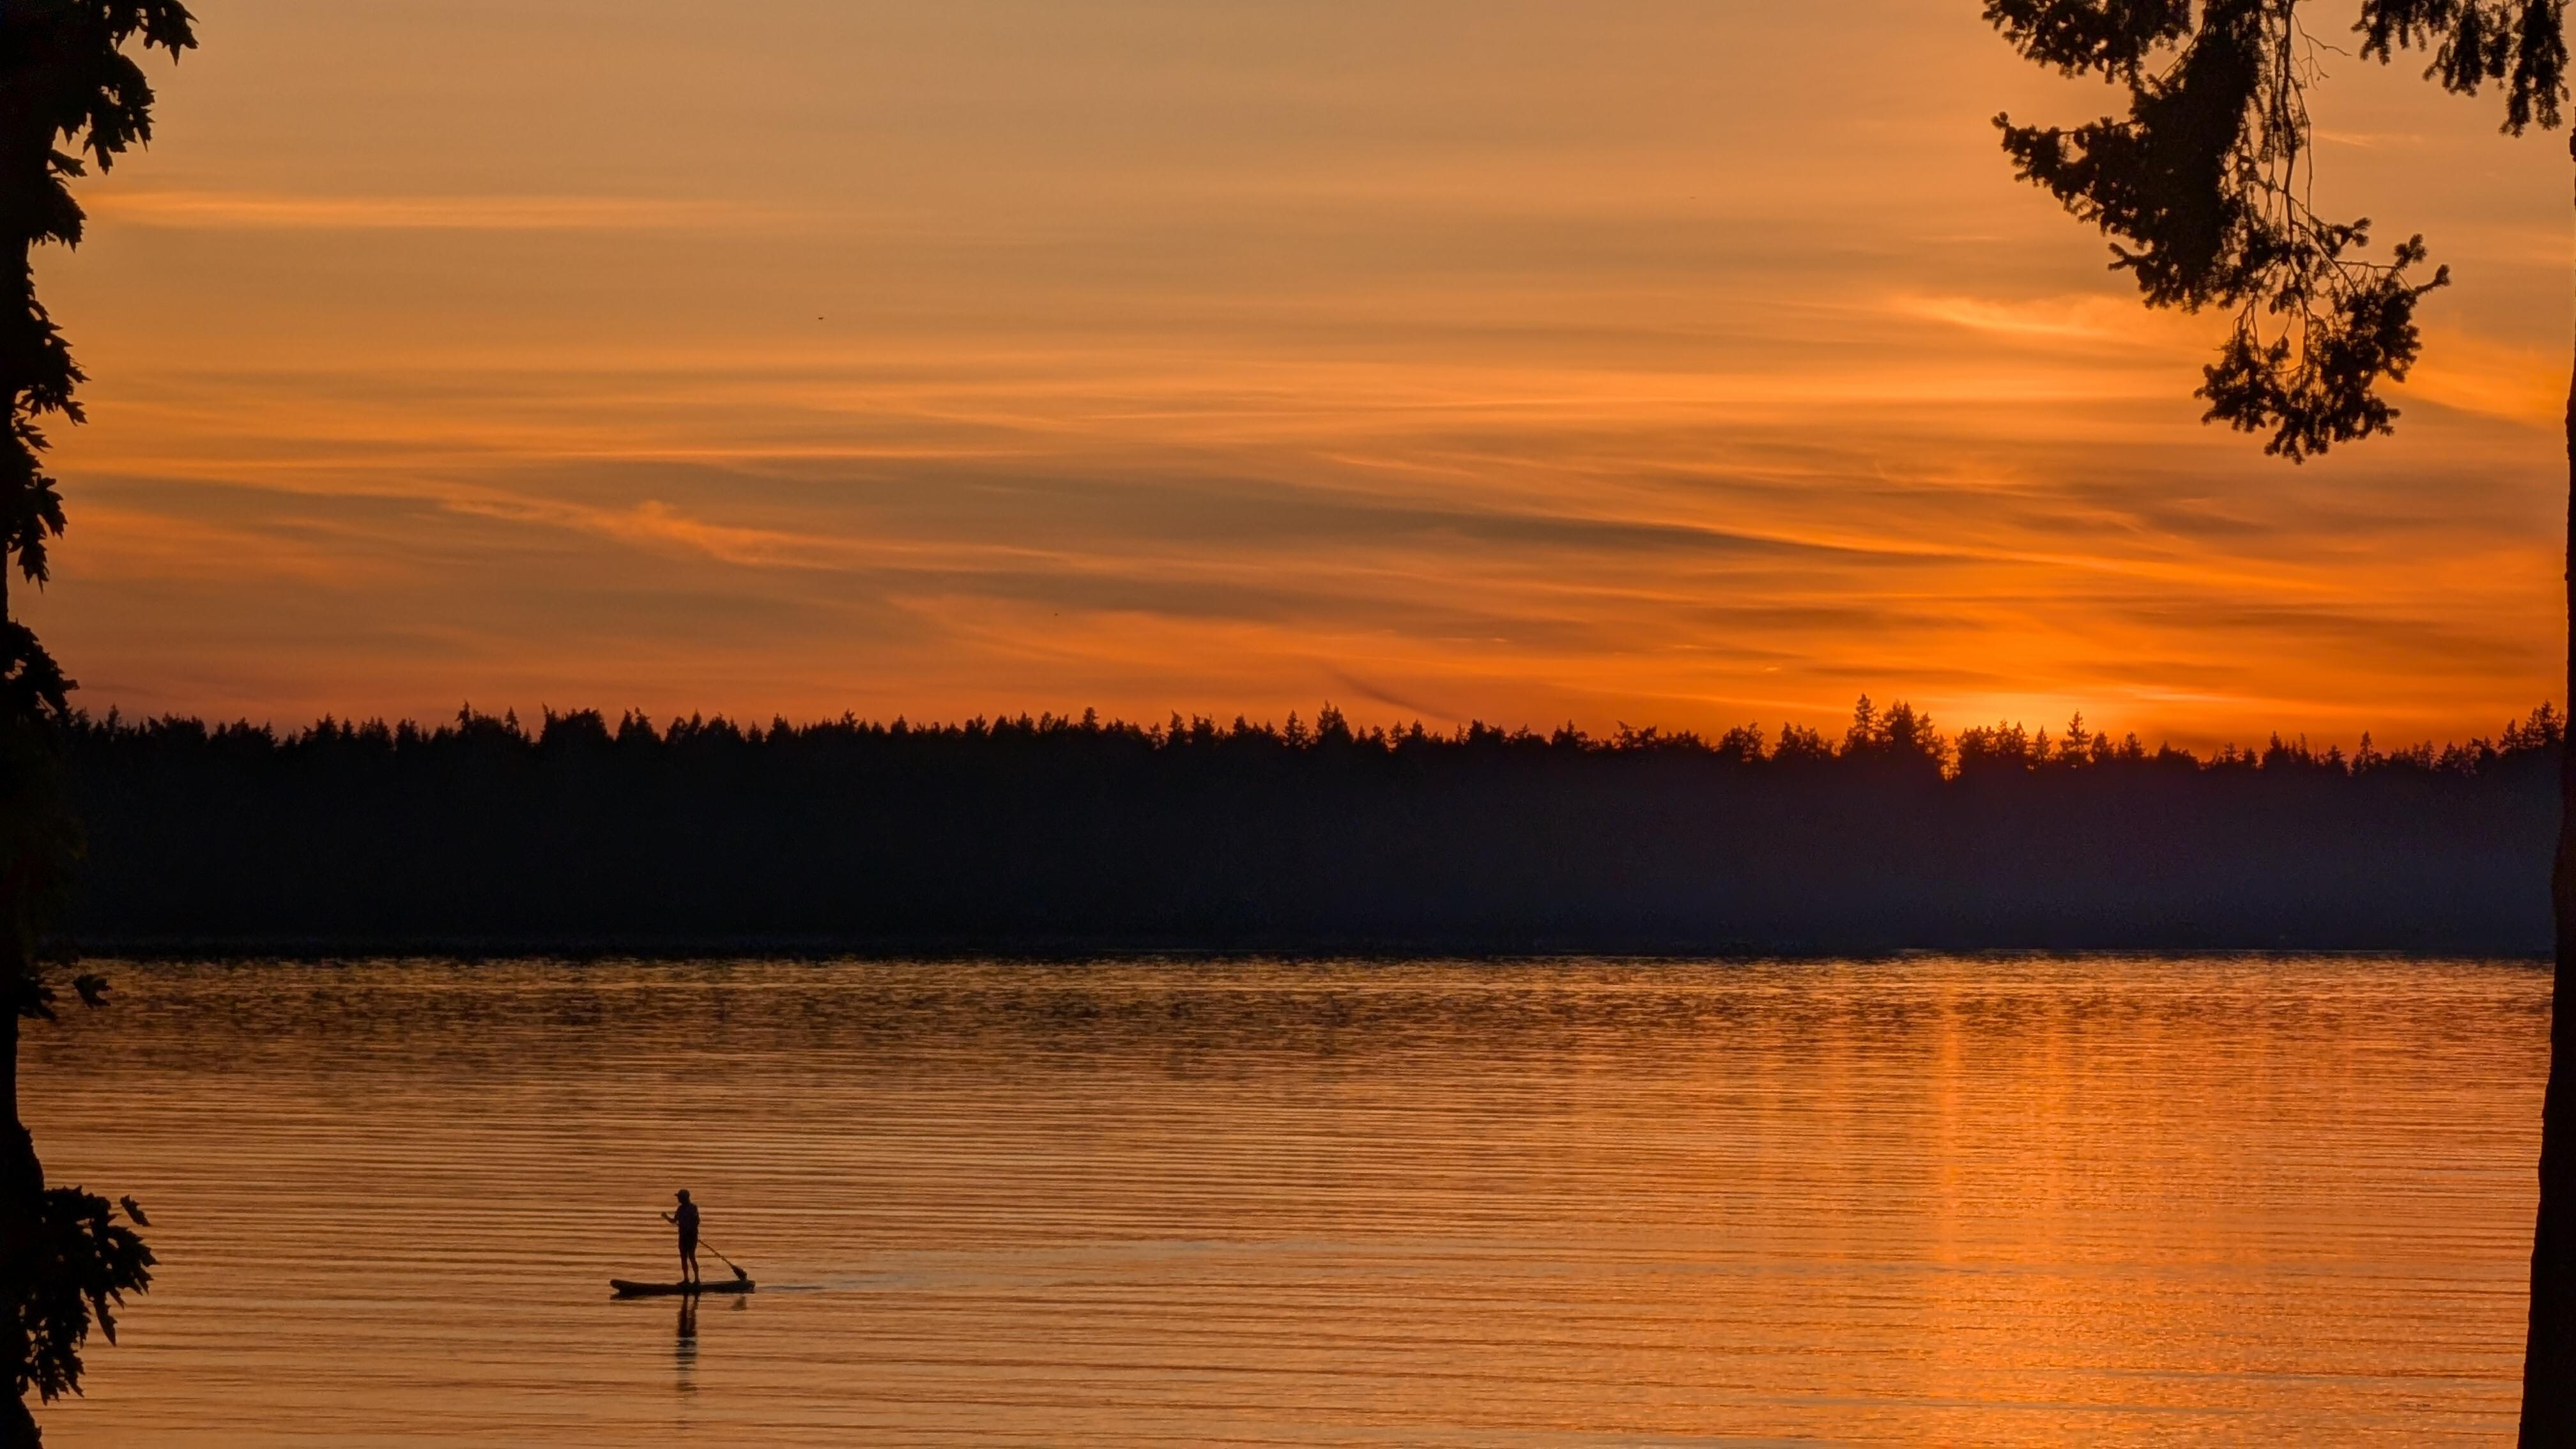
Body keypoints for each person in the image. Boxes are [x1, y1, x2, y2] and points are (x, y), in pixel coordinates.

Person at [662, 1189, 702, 1285]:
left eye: (679, 1197)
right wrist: (666, 1217)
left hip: (691, 1237)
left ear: (685, 1198)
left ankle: (697, 1280)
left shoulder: (693, 1208)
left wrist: (689, 1228)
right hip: (683, 1237)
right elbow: (674, 1221)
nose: (678, 1199)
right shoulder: (680, 1209)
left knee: (692, 1257)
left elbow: (697, 1222)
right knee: (683, 1258)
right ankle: (686, 1280)